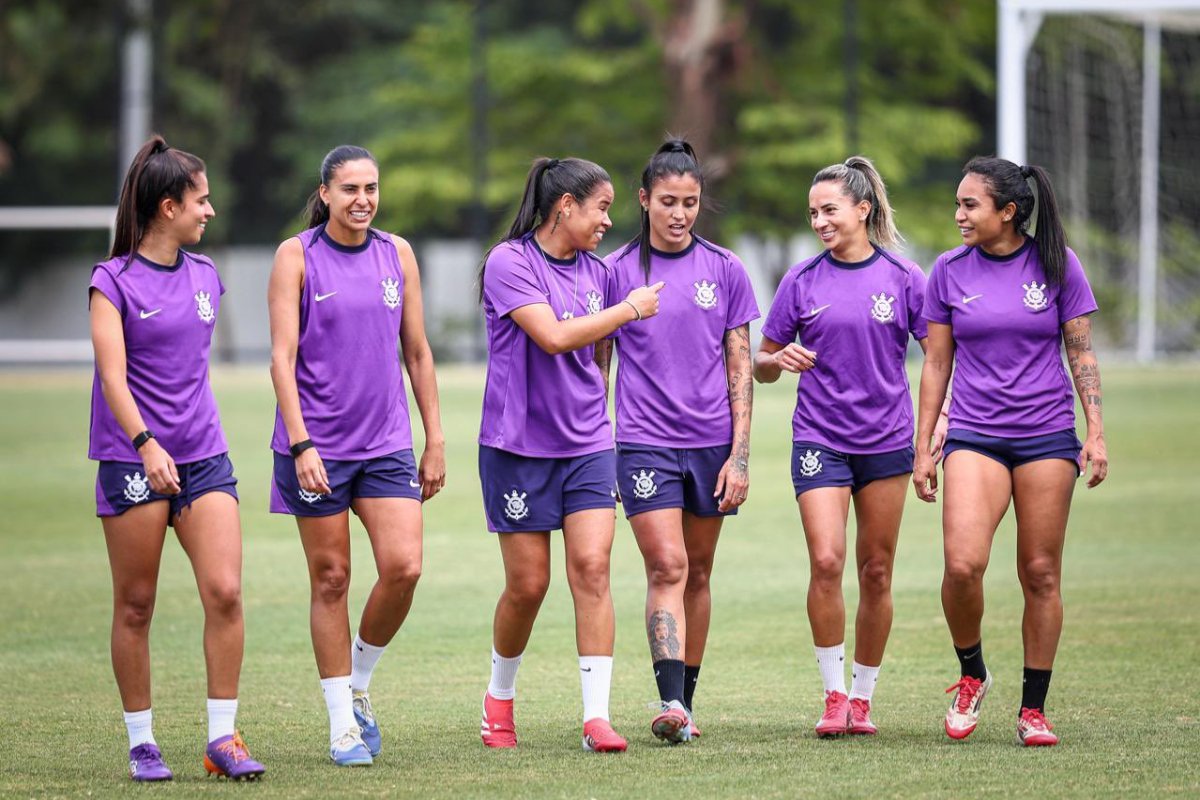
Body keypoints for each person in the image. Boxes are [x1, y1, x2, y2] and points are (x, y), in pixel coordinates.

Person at [913, 156, 1107, 747]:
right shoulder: (947, 270)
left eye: (970, 205)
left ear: (1008, 211)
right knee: (963, 565)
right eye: (958, 203)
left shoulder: (1056, 264)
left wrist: (1094, 430)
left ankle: (1034, 709)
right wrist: (924, 448)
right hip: (975, 433)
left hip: (1047, 434)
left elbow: (1082, 354)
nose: (959, 215)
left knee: (1040, 574)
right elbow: (937, 363)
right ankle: (972, 672)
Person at [88, 135, 265, 782]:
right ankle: (142, 742)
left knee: (225, 592)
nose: (209, 211)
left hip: (205, 458)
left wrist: (183, 443)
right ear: (168, 207)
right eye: (201, 200)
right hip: (133, 459)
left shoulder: (206, 278)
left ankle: (223, 739)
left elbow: (188, 375)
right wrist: (146, 445)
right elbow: (114, 379)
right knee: (136, 604)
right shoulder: (111, 282)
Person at [477, 156, 663, 753]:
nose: (609, 220)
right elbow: (555, 337)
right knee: (528, 585)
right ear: (565, 207)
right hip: (518, 447)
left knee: (593, 568)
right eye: (602, 207)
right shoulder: (509, 263)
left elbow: (604, 351)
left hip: (586, 442)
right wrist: (631, 307)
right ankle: (499, 698)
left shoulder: (598, 272)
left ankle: (596, 716)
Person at [267, 145, 446, 766]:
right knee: (332, 579)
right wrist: (301, 444)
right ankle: (342, 723)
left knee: (405, 567)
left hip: (387, 444)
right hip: (316, 448)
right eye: (350, 189)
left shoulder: (397, 253)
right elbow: (281, 360)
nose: (363, 200)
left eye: (371, 188)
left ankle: (360, 682)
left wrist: (435, 438)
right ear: (325, 194)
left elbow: (417, 353)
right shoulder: (296, 256)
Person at [754, 156, 942, 737]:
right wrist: (776, 360)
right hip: (819, 437)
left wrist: (931, 434)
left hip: (885, 441)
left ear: (863, 209)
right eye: (813, 213)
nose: (819, 221)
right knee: (828, 560)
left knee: (877, 570)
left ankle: (863, 698)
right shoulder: (801, 280)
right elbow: (760, 361)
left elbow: (939, 357)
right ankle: (833, 696)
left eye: (829, 210)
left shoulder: (905, 278)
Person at [602, 139, 759, 743]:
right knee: (667, 564)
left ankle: (685, 705)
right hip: (643, 443)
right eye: (668, 201)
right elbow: (599, 366)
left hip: (712, 447)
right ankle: (669, 700)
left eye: (690, 202)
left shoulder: (725, 269)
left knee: (699, 571)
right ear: (643, 201)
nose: (680, 213)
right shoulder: (615, 272)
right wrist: (598, 449)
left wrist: (739, 456)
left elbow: (740, 368)